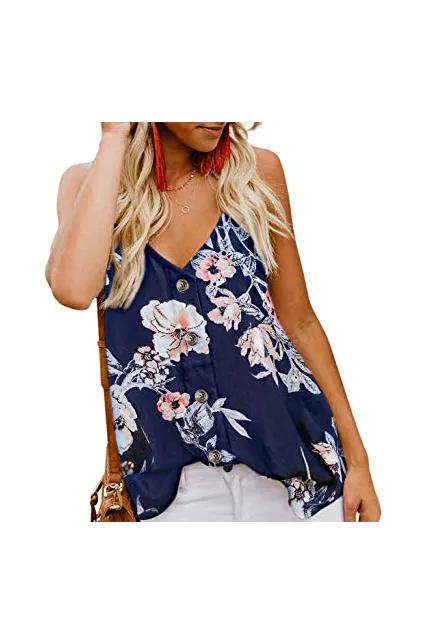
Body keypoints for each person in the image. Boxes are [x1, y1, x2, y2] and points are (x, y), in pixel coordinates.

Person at [46, 121, 381, 528]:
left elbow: (300, 320)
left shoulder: (256, 173)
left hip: (295, 474)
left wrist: (358, 461)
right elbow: (72, 289)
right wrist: (114, 134)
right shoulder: (89, 185)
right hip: (169, 492)